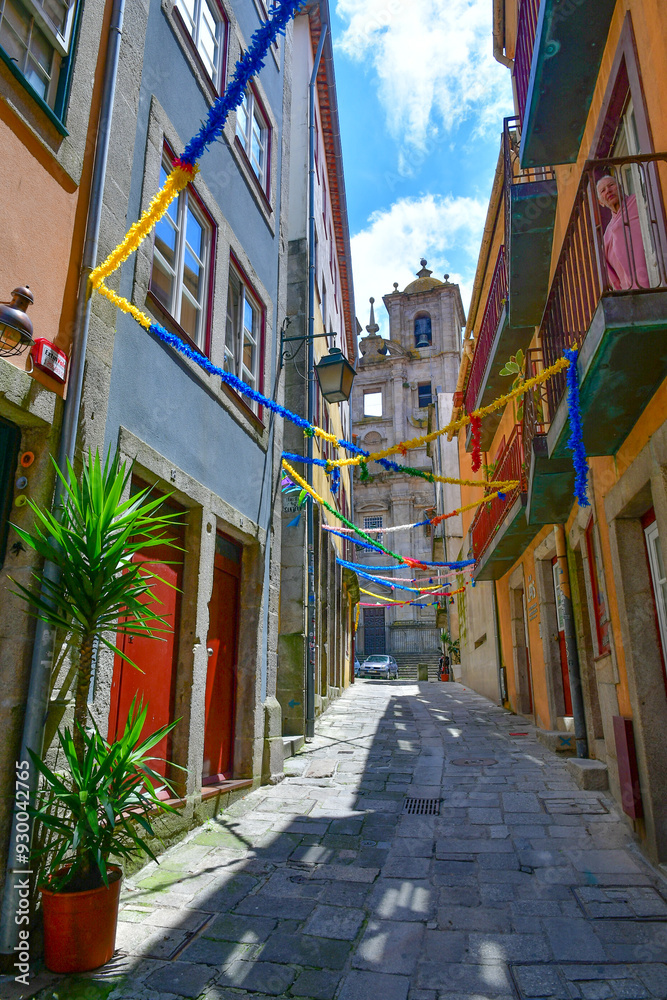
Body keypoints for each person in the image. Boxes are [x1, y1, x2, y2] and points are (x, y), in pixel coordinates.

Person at [596, 175, 650, 290]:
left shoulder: (638, 202)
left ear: (620, 187)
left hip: (654, 276)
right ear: (601, 202)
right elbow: (611, 274)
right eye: (603, 190)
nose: (608, 191)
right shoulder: (606, 236)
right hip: (632, 291)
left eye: (611, 185)